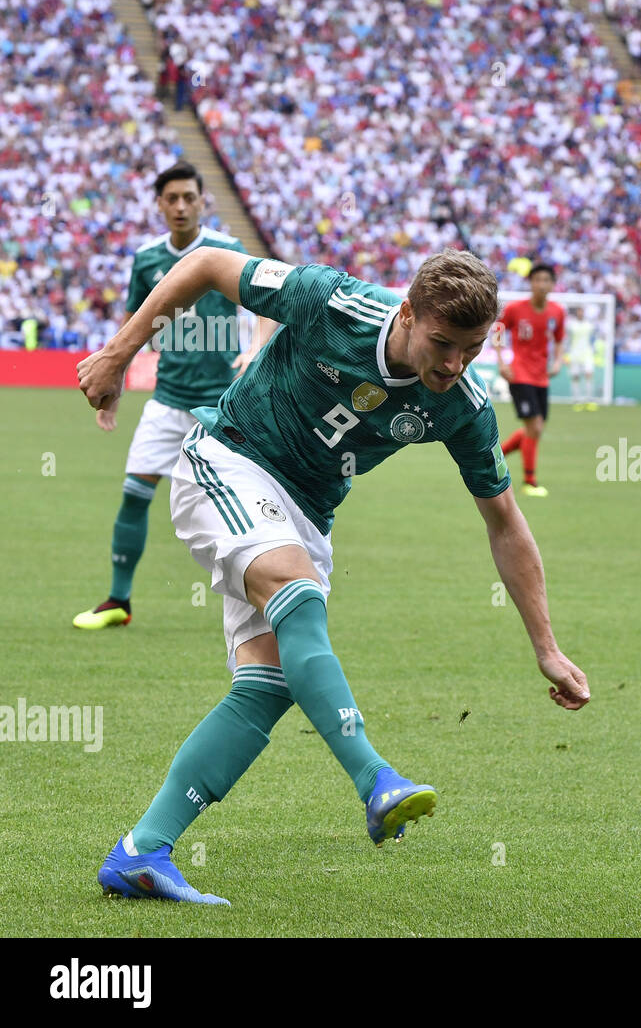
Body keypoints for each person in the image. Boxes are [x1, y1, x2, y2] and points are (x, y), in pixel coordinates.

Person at [77, 247, 590, 905]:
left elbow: (505, 521)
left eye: (473, 347)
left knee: (267, 685)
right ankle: (376, 779)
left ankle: (142, 851)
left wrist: (546, 646)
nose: (455, 363)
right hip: (231, 460)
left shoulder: (462, 402)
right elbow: (205, 262)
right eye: (443, 342)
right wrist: (120, 354)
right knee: (298, 600)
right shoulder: (331, 300)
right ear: (407, 312)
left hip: (307, 514)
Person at [73, 161, 272, 631]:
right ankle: (119, 601)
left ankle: (268, 599)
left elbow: (265, 299)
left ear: (203, 200)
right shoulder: (146, 259)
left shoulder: (226, 249)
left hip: (221, 407)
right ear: (159, 205)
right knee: (135, 493)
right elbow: (130, 323)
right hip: (166, 401)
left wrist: (256, 348)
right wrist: (115, 379)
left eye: (190, 197)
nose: (181, 206)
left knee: (244, 504)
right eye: (172, 198)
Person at [494, 263, 565, 497]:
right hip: (520, 374)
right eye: (537, 280)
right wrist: (502, 362)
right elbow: (498, 329)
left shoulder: (557, 312)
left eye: (546, 280)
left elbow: (559, 339)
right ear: (530, 283)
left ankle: (495, 456)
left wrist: (557, 362)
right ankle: (529, 481)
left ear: (552, 284)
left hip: (541, 377)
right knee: (534, 427)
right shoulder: (516, 309)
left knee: (535, 429)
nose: (541, 284)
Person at [566, 304, 598, 409]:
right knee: (575, 376)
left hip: (587, 353)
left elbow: (593, 338)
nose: (580, 313)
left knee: (589, 374)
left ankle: (589, 399)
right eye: (579, 311)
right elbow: (568, 340)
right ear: (576, 313)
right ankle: (577, 400)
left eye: (582, 311)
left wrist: (594, 350)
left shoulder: (589, 325)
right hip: (575, 354)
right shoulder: (571, 325)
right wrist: (567, 354)